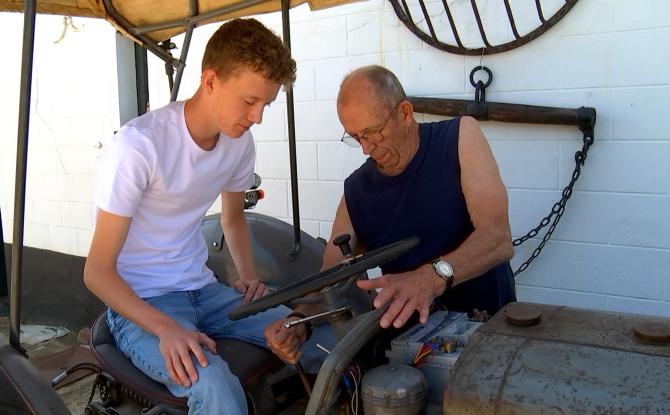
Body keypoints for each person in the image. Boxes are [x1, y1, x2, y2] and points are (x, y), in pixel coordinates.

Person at [84, 19, 318, 415]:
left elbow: (233, 219)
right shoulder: (138, 147)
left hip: (205, 291)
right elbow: (97, 272)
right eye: (249, 101)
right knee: (214, 387)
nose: (257, 117)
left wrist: (248, 279)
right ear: (210, 81)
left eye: (266, 104)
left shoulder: (238, 142)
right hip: (143, 305)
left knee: (308, 329)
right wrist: (165, 328)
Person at [321, 65, 516, 330]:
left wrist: (429, 278)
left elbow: (498, 238)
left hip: (486, 324)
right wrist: (296, 320)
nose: (366, 148)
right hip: (408, 344)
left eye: (373, 132)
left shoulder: (459, 138)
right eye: (356, 137)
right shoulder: (356, 189)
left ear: (404, 113)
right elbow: (329, 277)